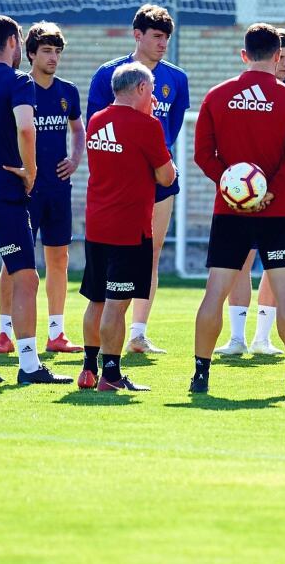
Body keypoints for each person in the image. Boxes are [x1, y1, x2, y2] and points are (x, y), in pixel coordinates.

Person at [191, 23, 285, 397]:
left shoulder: (217, 96)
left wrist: (234, 188)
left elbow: (203, 155)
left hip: (230, 212)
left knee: (214, 293)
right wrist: (268, 193)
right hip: (279, 212)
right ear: (278, 55)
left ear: (244, 54)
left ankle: (201, 377)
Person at [87, 4, 189, 355]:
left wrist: (157, 159)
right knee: (117, 254)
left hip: (160, 176)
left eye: (167, 38)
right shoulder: (108, 74)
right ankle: (105, 336)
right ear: (138, 35)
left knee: (151, 252)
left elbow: (172, 128)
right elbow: (97, 124)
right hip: (122, 183)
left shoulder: (176, 78)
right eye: (157, 37)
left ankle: (138, 333)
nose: (163, 44)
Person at [216, 27, 285, 356]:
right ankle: (236, 337)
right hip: (242, 195)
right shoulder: (238, 95)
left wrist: (270, 188)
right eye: (282, 57)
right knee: (241, 262)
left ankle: (262, 337)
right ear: (271, 56)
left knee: (279, 269)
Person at [78, 63, 176, 392]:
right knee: (117, 305)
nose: (153, 99)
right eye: (151, 91)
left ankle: (88, 369)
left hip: (96, 224)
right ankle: (111, 375)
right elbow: (166, 177)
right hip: (128, 228)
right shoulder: (146, 126)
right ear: (139, 90)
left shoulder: (97, 120)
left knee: (96, 300)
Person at [0, 23, 85, 355]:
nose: (53, 57)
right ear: (29, 52)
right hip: (22, 189)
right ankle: (5, 333)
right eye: (46, 50)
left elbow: (78, 129)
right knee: (14, 262)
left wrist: (75, 158)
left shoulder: (68, 91)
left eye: (58, 51)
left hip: (57, 188)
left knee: (59, 258)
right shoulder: (19, 87)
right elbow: (22, 131)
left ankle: (56, 332)